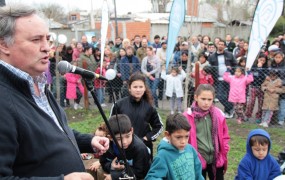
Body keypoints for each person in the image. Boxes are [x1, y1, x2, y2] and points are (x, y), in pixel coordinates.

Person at [0, 4, 109, 179]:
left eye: (48, 39)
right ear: (4, 44)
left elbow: (51, 132)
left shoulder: (37, 82)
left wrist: (87, 141)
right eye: (36, 40)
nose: (46, 47)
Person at [110, 73, 163, 159]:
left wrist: (147, 138)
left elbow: (159, 126)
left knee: (144, 171)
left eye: (141, 87)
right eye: (135, 87)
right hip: (124, 147)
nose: (138, 90)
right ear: (129, 88)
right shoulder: (118, 105)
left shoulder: (149, 107)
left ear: (145, 88)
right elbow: (111, 127)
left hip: (143, 148)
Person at [183, 84, 230, 180]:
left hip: (216, 159)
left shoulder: (218, 114)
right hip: (197, 160)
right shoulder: (187, 116)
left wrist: (224, 150)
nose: (206, 103)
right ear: (196, 97)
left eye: (209, 100)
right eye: (203, 99)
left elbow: (224, 135)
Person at [145, 114, 204, 180]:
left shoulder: (191, 150)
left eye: (186, 136)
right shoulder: (162, 156)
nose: (183, 141)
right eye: (178, 137)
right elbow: (152, 177)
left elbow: (198, 174)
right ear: (167, 135)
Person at [100, 114, 151, 180]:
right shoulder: (107, 145)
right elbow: (103, 162)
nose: (124, 142)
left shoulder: (140, 148)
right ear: (110, 137)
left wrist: (115, 176)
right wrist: (111, 166)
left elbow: (140, 173)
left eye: (128, 136)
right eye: (119, 139)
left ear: (132, 131)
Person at [208, 40, 237, 119]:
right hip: (218, 79)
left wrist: (232, 70)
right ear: (217, 45)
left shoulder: (230, 55)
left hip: (229, 79)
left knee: (228, 96)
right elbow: (210, 67)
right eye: (219, 44)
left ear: (224, 46)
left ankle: (228, 112)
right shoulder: (212, 56)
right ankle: (231, 108)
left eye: (222, 44)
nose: (220, 46)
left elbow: (235, 65)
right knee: (220, 96)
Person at [245, 54, 268, 123]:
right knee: (251, 102)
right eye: (261, 60)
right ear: (258, 59)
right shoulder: (253, 67)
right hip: (253, 87)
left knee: (261, 103)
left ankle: (259, 116)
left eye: (264, 60)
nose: (262, 61)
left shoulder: (265, 68)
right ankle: (248, 115)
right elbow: (250, 76)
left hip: (261, 88)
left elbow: (264, 77)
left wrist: (260, 69)